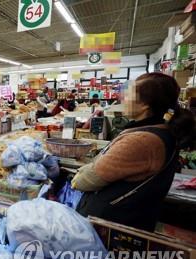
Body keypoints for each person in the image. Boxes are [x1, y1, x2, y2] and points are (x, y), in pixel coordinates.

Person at [72, 73, 195, 231]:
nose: (123, 99)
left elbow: (88, 180)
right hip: (128, 221)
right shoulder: (159, 130)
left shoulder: (142, 141)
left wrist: (77, 178)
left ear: (145, 105)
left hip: (109, 227)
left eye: (129, 94)